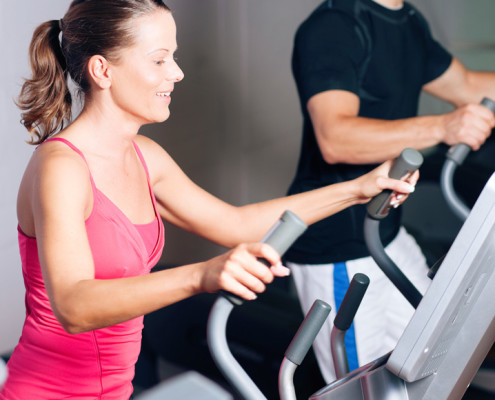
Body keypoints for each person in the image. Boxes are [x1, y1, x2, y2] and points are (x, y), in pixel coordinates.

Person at [0, 1, 418, 399]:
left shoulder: (146, 158)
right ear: (102, 70)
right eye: (160, 59)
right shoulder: (62, 167)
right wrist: (201, 275)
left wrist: (359, 188)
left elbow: (235, 225)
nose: (177, 73)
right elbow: (74, 305)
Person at [285, 0, 495, 384]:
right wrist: (445, 127)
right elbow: (336, 137)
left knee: (434, 364)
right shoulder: (334, 24)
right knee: (365, 391)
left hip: (388, 233)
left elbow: (466, 86)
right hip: (341, 250)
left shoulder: (407, 19)